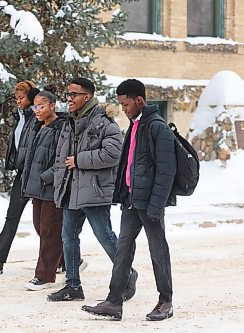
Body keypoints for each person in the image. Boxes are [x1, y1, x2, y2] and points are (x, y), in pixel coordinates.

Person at [81, 79, 177, 321]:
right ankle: (114, 302)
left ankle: (165, 301)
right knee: (123, 250)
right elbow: (130, 165)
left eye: (126, 104)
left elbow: (166, 171)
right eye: (121, 105)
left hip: (150, 203)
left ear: (140, 101)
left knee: (158, 251)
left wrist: (156, 205)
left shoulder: (157, 127)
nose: (123, 109)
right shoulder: (135, 125)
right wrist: (123, 194)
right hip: (132, 201)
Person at [47, 78, 138, 302]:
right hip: (71, 190)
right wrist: (60, 181)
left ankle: (127, 273)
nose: (68, 99)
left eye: (73, 94)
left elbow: (112, 154)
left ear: (86, 97)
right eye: (67, 94)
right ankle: (73, 286)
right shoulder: (69, 122)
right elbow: (61, 158)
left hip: (95, 192)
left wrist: (79, 160)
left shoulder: (104, 123)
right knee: (68, 238)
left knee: (105, 236)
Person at [0, 80, 40, 274]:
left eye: (21, 98)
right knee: (12, 216)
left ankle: (70, 259)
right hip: (23, 173)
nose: (18, 102)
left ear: (31, 98)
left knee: (44, 222)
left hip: (37, 174)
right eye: (16, 98)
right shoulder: (20, 117)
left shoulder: (37, 116)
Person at [21, 88, 67, 291]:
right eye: (35, 106)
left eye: (41, 106)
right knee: (40, 227)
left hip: (51, 187)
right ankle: (69, 259)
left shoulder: (61, 128)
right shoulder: (37, 126)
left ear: (52, 106)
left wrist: (46, 177)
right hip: (36, 187)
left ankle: (44, 275)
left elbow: (62, 159)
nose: (37, 110)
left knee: (50, 230)